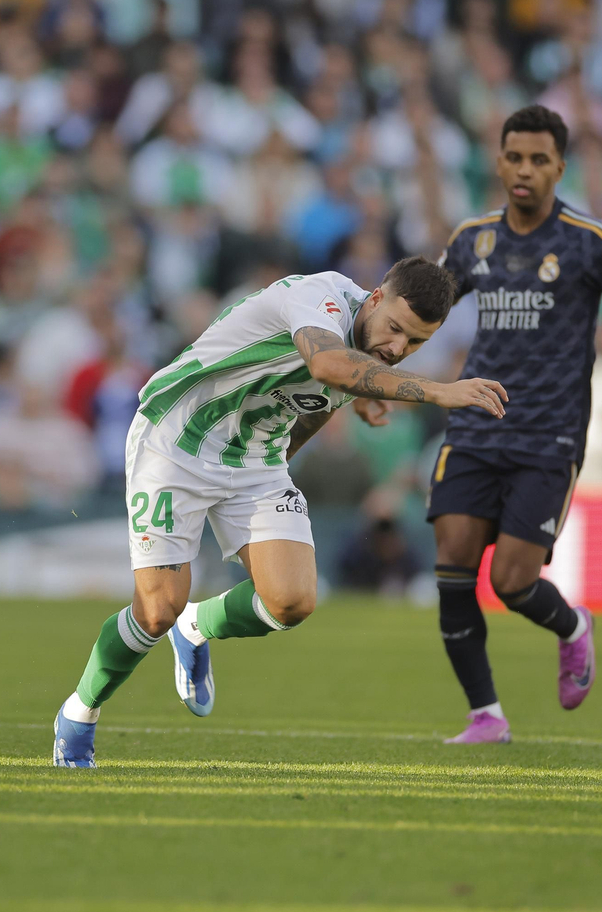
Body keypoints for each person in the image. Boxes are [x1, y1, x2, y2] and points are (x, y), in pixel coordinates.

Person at [52, 257, 508, 768]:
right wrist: (438, 390)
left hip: (254, 459)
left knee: (291, 602)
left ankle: (198, 626)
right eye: (397, 330)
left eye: (416, 344)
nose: (398, 350)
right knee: (157, 611)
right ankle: (79, 713)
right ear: (375, 298)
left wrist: (350, 400)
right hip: (176, 440)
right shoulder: (319, 299)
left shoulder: (364, 348)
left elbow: (317, 400)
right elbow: (327, 366)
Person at [430, 105, 602, 744]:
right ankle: (485, 715)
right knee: (452, 562)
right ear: (499, 160)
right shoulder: (472, 239)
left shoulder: (589, 242)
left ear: (560, 168)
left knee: (512, 582)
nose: (525, 171)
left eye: (540, 160)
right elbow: (423, 313)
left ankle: (573, 628)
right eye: (515, 157)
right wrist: (374, 379)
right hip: (475, 428)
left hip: (548, 438)